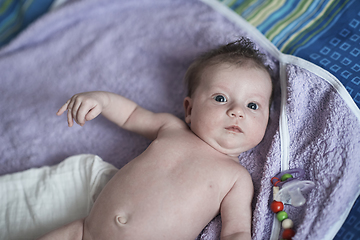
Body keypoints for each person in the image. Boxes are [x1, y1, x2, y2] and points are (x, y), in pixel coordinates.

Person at [39, 37, 273, 240]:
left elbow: (235, 232)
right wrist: (101, 100)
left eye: (252, 105)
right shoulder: (171, 128)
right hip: (83, 231)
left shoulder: (237, 179)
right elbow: (131, 115)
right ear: (189, 110)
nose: (236, 111)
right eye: (220, 98)